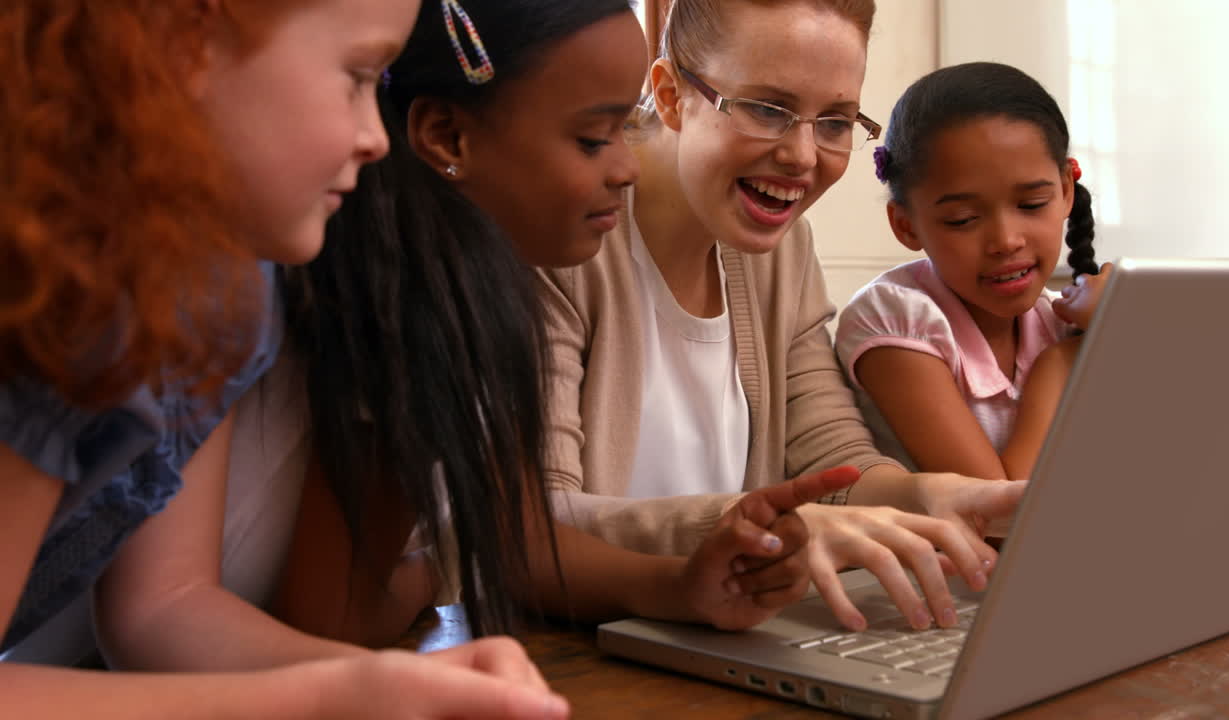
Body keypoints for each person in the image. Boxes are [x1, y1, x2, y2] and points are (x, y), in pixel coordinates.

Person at [0, 2, 587, 718]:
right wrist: (323, 696)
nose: (378, 138)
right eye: (358, 76)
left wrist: (386, 686)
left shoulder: (226, 286)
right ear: (187, 48)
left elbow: (163, 609)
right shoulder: (41, 281)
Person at [258, 0, 841, 655]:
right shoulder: (392, 308)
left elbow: (521, 538)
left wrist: (682, 586)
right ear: (449, 138)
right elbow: (335, 618)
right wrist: (452, 560)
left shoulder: (482, 294)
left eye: (626, 130)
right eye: (594, 140)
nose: (624, 169)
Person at [537, 0, 1025, 634]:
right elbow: (534, 521)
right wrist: (755, 524)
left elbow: (832, 454)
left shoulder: (781, 249)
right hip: (567, 653)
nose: (802, 156)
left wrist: (927, 495)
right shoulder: (559, 241)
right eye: (768, 109)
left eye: (835, 121)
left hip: (719, 640)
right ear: (670, 91)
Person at [836, 61, 1110, 483]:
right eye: (963, 219)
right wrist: (1060, 364)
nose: (1006, 240)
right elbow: (997, 514)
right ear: (906, 225)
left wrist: (1125, 331)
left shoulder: (1059, 319)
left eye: (1032, 205)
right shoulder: (895, 319)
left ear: (1066, 191)